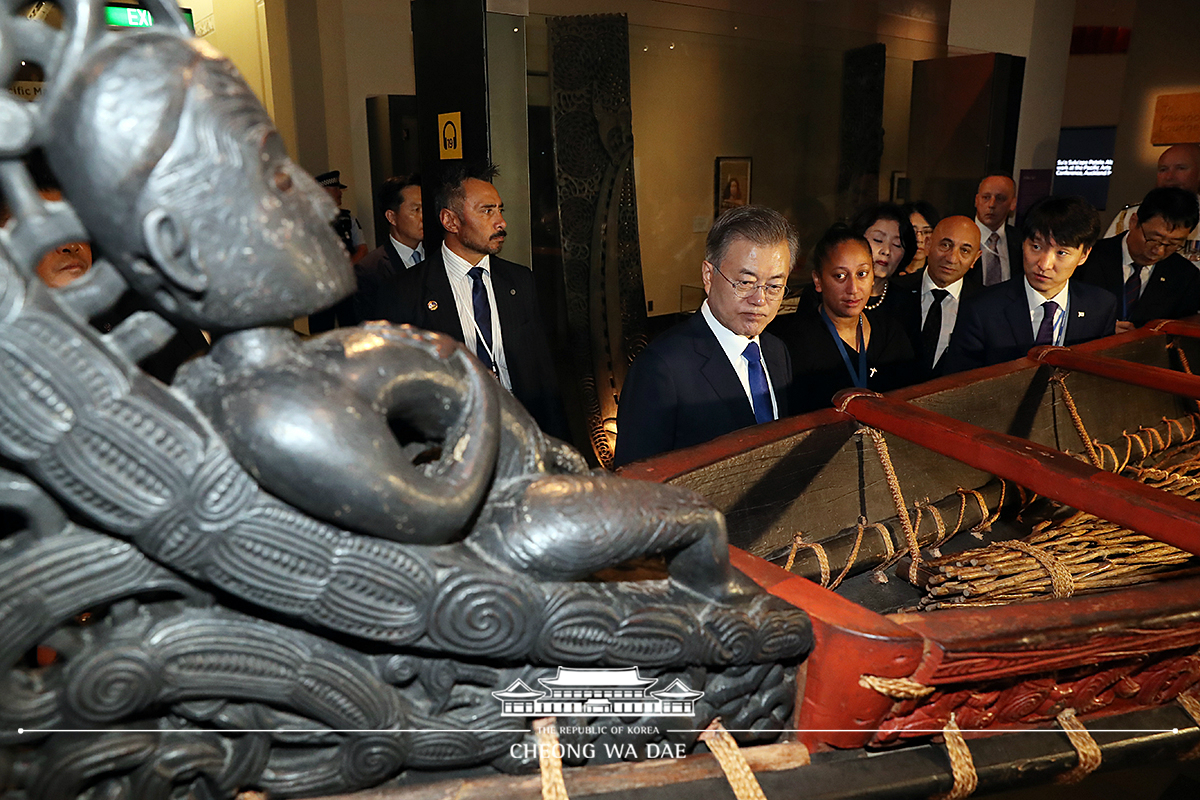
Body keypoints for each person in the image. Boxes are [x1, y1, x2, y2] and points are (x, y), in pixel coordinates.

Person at [387, 162, 570, 441]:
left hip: (519, 430)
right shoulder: (406, 290)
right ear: (450, 221)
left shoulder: (519, 282)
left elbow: (543, 374)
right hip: (454, 438)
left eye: (500, 210)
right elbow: (401, 388)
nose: (501, 222)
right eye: (487, 211)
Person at [614, 205, 796, 468]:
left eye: (774, 286)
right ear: (708, 276)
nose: (760, 299)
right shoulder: (661, 369)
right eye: (745, 282)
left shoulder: (777, 352)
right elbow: (638, 484)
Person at [942, 195, 1117, 374]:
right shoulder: (981, 309)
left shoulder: (1100, 307)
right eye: (1036, 247)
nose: (1044, 264)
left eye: (1061, 253)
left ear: (1084, 255)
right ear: (1023, 243)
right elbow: (959, 383)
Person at [774, 224, 916, 414]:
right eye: (840, 276)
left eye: (862, 274)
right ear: (818, 281)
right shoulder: (792, 342)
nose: (853, 288)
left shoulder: (890, 333)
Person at [1075, 187, 1200, 331]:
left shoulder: (1185, 275)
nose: (1158, 250)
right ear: (1134, 222)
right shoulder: (1088, 257)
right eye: (1152, 239)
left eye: (1173, 244)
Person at [892, 216, 982, 379]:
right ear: (928, 245)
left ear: (975, 258)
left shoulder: (985, 306)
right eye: (945, 245)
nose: (952, 258)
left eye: (965, 251)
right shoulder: (895, 291)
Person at [1105, 144, 1200, 267]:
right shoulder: (1130, 214)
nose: (1169, 177)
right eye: (1163, 169)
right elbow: (1108, 257)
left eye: (1181, 168)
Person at [353, 174, 423, 322]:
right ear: (391, 217)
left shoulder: (438, 255)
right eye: (416, 210)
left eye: (425, 208)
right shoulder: (369, 270)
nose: (423, 216)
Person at [309, 169, 367, 332]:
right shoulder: (308, 221)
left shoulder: (348, 220)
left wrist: (344, 269)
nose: (340, 193)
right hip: (321, 288)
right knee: (320, 330)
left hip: (346, 286)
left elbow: (362, 250)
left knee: (350, 329)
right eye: (336, 189)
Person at [849, 202, 917, 317]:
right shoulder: (830, 295)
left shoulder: (907, 305)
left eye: (896, 245)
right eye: (878, 240)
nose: (886, 251)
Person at [974, 174, 1021, 286]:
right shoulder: (959, 237)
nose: (991, 204)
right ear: (976, 200)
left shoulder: (1021, 242)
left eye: (1000, 199)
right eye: (986, 197)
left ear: (1013, 203)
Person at [900, 201, 940, 276]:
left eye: (927, 232)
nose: (919, 239)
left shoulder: (938, 275)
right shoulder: (887, 270)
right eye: (912, 231)